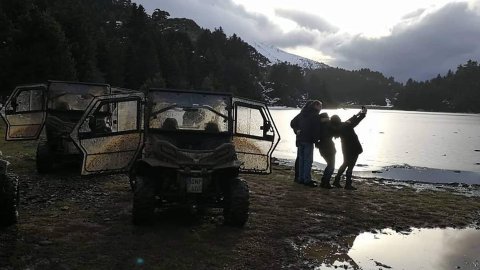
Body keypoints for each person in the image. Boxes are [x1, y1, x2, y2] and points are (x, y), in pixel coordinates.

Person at [331, 106, 367, 190]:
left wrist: (358, 114)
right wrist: (363, 114)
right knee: (350, 166)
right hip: (353, 148)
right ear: (339, 120)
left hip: (345, 148)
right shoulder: (345, 126)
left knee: (345, 163)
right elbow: (355, 122)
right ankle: (347, 184)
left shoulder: (338, 127)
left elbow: (350, 121)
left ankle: (336, 180)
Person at [290, 100, 322, 187]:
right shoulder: (315, 115)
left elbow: (292, 122)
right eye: (320, 106)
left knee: (301, 160)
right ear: (316, 106)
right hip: (308, 140)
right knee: (308, 161)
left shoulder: (302, 113)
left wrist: (297, 130)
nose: (321, 108)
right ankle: (306, 179)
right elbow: (316, 130)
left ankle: (300, 178)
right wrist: (317, 141)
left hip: (300, 140)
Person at [315, 112, 337, 189]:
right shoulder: (328, 125)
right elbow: (335, 131)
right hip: (328, 147)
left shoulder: (318, 126)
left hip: (322, 147)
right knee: (331, 165)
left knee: (329, 164)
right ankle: (326, 182)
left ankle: (324, 181)